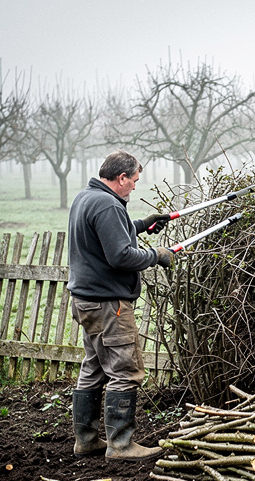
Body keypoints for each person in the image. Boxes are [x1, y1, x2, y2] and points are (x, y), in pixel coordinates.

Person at [67, 150, 172, 461]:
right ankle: (122, 445)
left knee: (94, 368)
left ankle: (86, 440)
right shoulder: (107, 205)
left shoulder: (87, 197)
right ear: (121, 177)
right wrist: (157, 255)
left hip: (86, 300)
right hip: (108, 303)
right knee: (126, 371)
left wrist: (141, 225)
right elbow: (120, 256)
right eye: (134, 180)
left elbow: (107, 236)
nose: (135, 187)